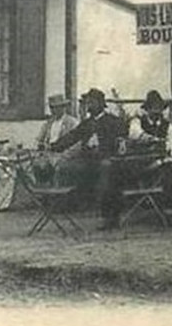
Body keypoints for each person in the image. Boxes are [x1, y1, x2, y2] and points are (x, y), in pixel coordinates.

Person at [48, 87, 127, 229]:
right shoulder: (86, 123)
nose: (89, 106)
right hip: (89, 161)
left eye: (92, 102)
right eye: (88, 103)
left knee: (107, 171)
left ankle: (109, 217)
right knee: (65, 166)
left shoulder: (113, 121)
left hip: (109, 161)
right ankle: (62, 203)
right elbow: (72, 137)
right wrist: (54, 147)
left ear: (101, 103)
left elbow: (120, 141)